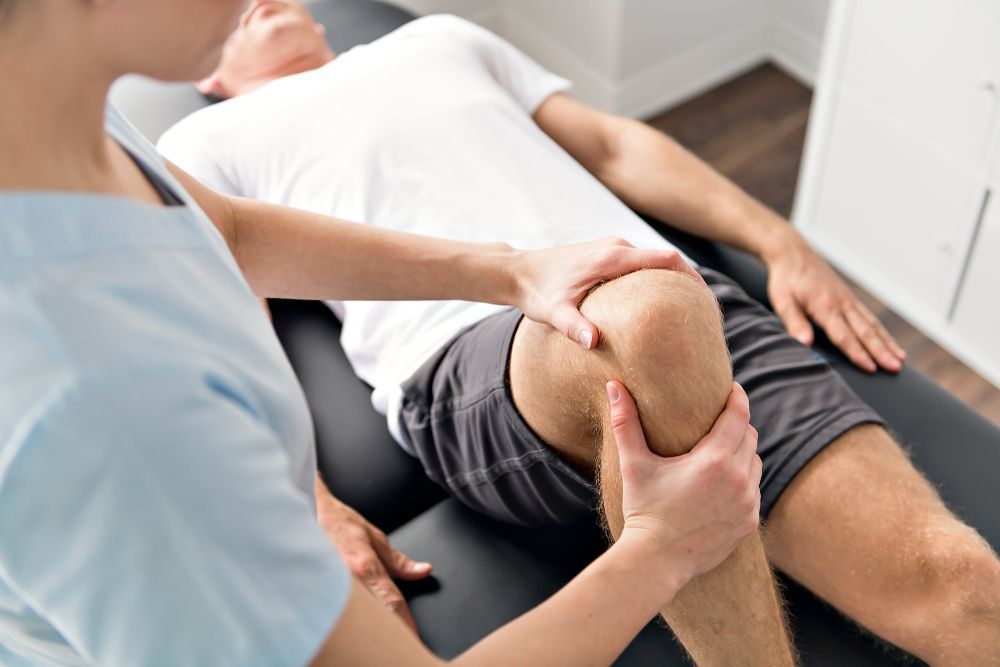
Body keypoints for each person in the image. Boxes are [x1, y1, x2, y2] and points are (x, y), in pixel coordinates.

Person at [159, 4, 1000, 665]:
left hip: (678, 301)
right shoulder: (199, 142)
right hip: (479, 359)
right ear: (203, 74)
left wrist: (779, 239)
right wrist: (309, 500)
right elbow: (228, 322)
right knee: (647, 314)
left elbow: (611, 143)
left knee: (966, 589)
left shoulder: (438, 41)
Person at [0, 0, 765, 665]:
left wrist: (507, 271)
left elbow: (224, 226)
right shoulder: (97, 402)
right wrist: (663, 548)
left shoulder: (52, 102)